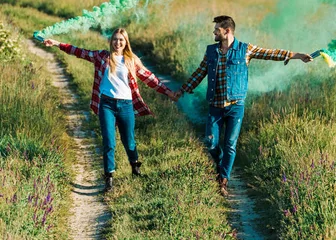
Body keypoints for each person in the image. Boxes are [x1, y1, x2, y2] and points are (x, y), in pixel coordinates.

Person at [174, 15, 312, 196]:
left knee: (230, 143)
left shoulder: (245, 49)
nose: (214, 32)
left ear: (227, 31)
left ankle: (223, 180)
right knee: (210, 142)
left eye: (217, 30)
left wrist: (297, 55)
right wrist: (182, 90)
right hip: (215, 105)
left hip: (235, 105)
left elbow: (270, 53)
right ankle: (221, 162)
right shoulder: (211, 51)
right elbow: (200, 72)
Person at [44, 28, 177, 191]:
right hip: (106, 104)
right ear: (111, 41)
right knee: (109, 142)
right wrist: (57, 43)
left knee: (129, 141)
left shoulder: (131, 60)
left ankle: (135, 167)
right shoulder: (102, 57)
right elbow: (79, 52)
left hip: (126, 105)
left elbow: (150, 78)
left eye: (121, 40)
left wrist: (168, 92)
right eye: (115, 39)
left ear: (126, 42)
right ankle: (109, 178)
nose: (118, 42)